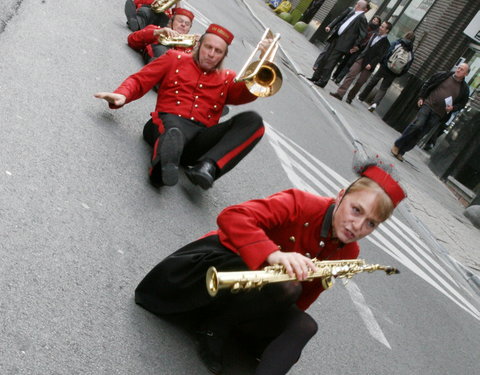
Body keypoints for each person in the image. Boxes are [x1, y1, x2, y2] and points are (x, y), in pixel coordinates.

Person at [134, 160, 406, 374]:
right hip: (208, 271)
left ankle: (226, 327)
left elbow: (307, 295)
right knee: (288, 286)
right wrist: (274, 255)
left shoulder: (351, 250)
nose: (357, 227)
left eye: (371, 223)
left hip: (253, 299)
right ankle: (213, 328)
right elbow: (232, 216)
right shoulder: (302, 202)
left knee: (305, 326)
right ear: (341, 195)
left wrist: (276, 329)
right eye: (356, 210)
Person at [95, 24, 269, 189]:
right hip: (165, 123)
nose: (211, 54)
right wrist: (122, 95)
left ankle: (208, 166)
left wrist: (264, 60)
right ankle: (160, 171)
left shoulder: (228, 78)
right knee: (173, 132)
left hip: (197, 140)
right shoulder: (174, 58)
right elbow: (140, 79)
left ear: (224, 56)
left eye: (218, 51)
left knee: (254, 121)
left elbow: (247, 92)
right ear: (199, 45)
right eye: (208, 47)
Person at [391, 63, 470, 162]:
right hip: (428, 104)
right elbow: (428, 83)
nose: (458, 70)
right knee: (417, 125)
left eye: (462, 70)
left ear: (466, 74)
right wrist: (421, 97)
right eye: (458, 68)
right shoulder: (443, 75)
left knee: (421, 133)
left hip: (439, 114)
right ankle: (397, 145)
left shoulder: (464, 89)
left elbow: (462, 104)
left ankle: (402, 151)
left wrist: (453, 108)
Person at [307, 0, 368, 88]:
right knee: (325, 58)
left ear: (358, 6)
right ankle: (315, 77)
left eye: (356, 4)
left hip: (344, 44)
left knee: (330, 62)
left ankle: (323, 81)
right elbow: (342, 21)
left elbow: (363, 35)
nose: (355, 5)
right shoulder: (352, 13)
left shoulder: (362, 18)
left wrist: (356, 45)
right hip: (336, 38)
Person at [329, 21, 392, 104]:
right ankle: (340, 93)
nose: (380, 27)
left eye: (383, 27)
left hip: (370, 64)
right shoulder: (374, 34)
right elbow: (365, 44)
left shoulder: (386, 44)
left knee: (360, 82)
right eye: (381, 26)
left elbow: (380, 56)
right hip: (361, 58)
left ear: (387, 30)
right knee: (351, 74)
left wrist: (371, 64)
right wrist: (357, 47)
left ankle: (350, 97)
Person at [358, 31, 416, 112]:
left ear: (405, 36)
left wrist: (382, 62)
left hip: (385, 66)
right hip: (394, 72)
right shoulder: (411, 53)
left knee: (373, 81)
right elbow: (407, 67)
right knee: (383, 88)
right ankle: (375, 103)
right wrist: (398, 73)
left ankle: (361, 97)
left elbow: (387, 52)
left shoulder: (397, 43)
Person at [127, 7, 196, 64]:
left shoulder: (190, 47)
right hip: (156, 64)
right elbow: (131, 39)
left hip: (174, 74)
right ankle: (137, 21)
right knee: (161, 49)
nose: (183, 25)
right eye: (180, 21)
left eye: (187, 24)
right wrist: (158, 32)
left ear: (189, 29)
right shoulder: (158, 30)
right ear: (171, 22)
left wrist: (198, 47)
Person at [331, 15, 381, 84]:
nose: (374, 22)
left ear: (379, 24)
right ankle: (335, 75)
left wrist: (358, 47)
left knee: (349, 64)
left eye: (376, 21)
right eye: (374, 20)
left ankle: (338, 79)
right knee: (344, 61)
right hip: (353, 46)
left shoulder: (375, 33)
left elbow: (367, 43)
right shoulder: (365, 25)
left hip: (360, 50)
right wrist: (354, 45)